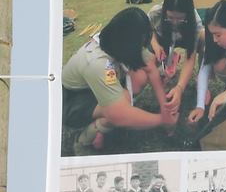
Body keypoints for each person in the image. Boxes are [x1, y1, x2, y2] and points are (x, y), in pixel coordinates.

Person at [62, 8, 177, 155]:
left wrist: (164, 108)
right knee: (119, 106)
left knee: (139, 78)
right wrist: (162, 120)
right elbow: (119, 116)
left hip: (90, 88)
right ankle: (82, 141)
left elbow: (151, 70)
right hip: (70, 102)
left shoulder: (118, 39)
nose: (142, 46)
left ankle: (104, 117)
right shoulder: (98, 63)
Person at [148, 0, 204, 114]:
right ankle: (170, 57)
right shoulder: (155, 13)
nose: (174, 22)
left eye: (180, 19)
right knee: (149, 61)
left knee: (206, 37)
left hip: (184, 39)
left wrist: (179, 88)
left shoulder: (195, 21)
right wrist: (156, 45)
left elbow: (190, 57)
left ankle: (202, 78)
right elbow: (149, 29)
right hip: (163, 39)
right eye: (170, 17)